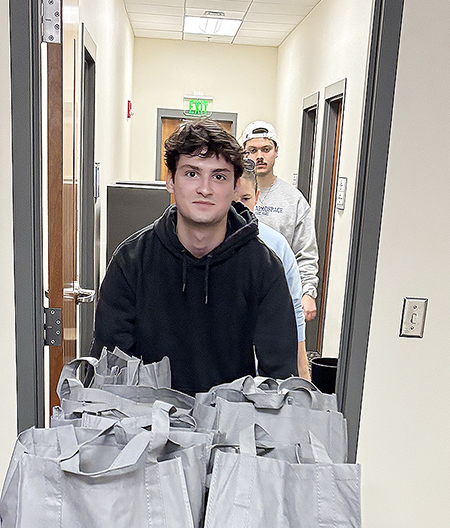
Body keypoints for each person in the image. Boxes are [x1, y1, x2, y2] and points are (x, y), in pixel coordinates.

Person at [92, 120, 297, 394]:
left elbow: (279, 380)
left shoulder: (264, 268)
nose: (205, 188)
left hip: (233, 427)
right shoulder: (131, 262)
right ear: (170, 180)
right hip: (146, 426)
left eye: (219, 176)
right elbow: (110, 377)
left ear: (236, 187)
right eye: (191, 174)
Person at [234, 162, 311, 382]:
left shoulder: (275, 245)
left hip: (261, 372)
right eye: (232, 200)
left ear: (257, 197)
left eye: (245, 199)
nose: (238, 207)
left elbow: (294, 308)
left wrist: (303, 374)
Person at [241, 120, 319, 324]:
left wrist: (308, 292)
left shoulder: (293, 200)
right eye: (252, 150)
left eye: (266, 149)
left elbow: (306, 251)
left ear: (276, 151)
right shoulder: (230, 193)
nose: (259, 156)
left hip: (278, 296)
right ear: (244, 154)